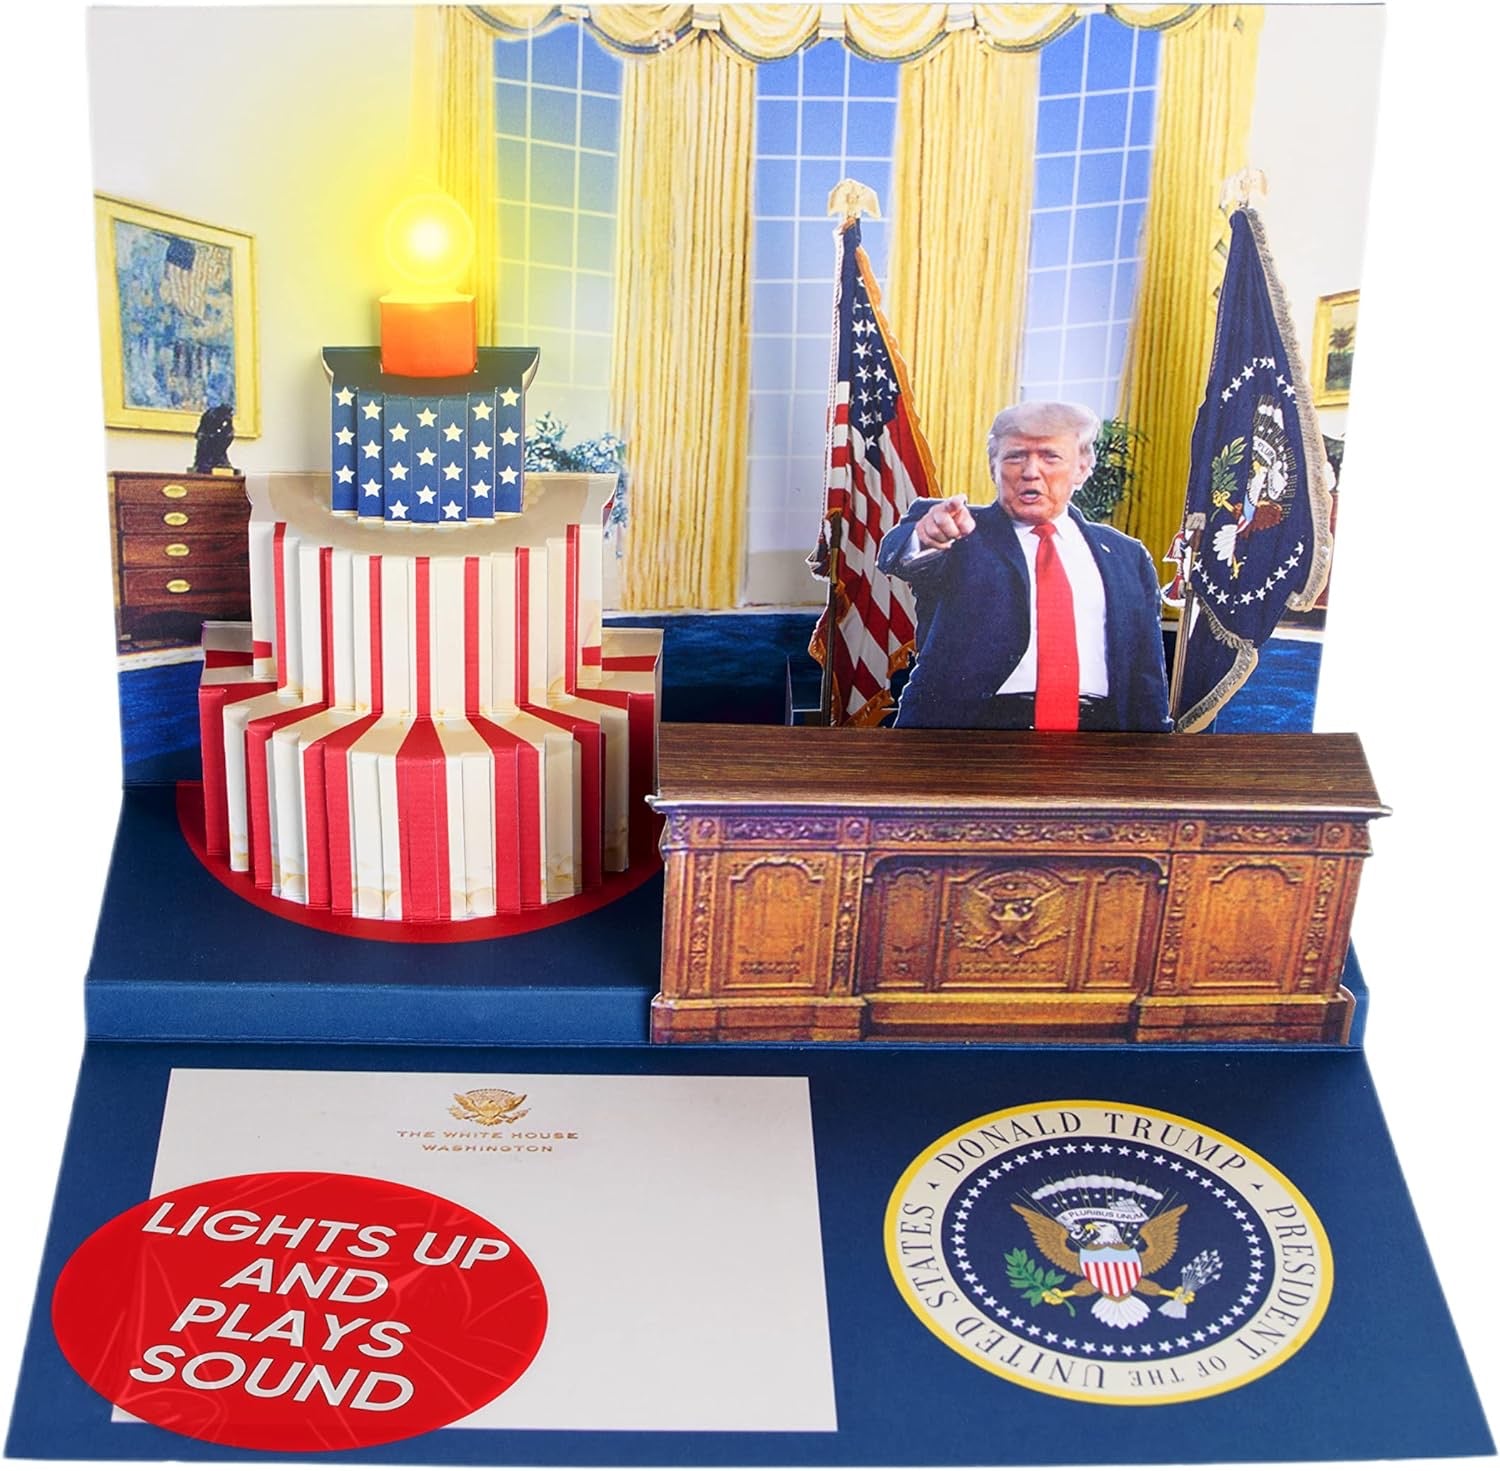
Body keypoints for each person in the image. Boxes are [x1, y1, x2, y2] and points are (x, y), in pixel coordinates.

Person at [877, 401, 1170, 731]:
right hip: (973, 733)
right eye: (1016, 456)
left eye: (1050, 456)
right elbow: (899, 553)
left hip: (1099, 733)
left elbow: (1147, 677)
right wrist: (927, 536)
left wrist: (1154, 748)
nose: (1031, 471)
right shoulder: (960, 530)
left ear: (1082, 468)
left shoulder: (1126, 555)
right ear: (993, 467)